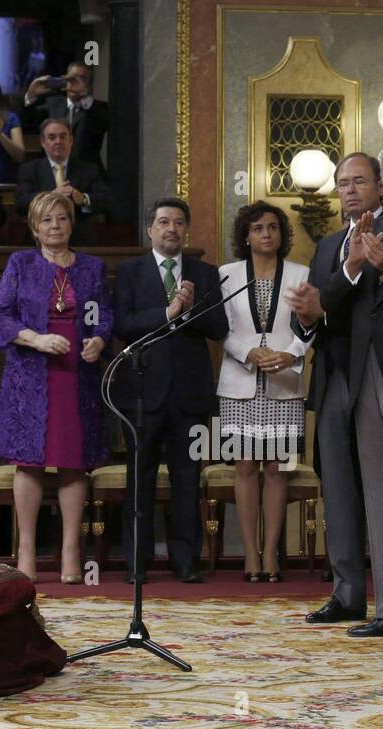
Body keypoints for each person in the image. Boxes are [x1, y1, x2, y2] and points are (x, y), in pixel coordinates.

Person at [315, 138, 383, 645]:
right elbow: (333, 302)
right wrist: (356, 265)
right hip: (366, 371)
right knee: (381, 495)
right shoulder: (366, 233)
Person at [0, 191, 112, 582]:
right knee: (29, 461)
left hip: (78, 373)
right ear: (34, 228)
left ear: (71, 223)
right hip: (30, 373)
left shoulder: (92, 267)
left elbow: (103, 315)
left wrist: (99, 340)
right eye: (46, 221)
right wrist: (36, 339)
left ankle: (71, 551)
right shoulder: (20, 264)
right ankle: (26, 549)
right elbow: (1, 315)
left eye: (61, 219)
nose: (55, 226)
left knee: (74, 461)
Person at [288, 153, 383, 625]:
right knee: (339, 492)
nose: (349, 190)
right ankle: (346, 593)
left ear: (380, 187)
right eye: (343, 183)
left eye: (359, 181)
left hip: (377, 375)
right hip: (332, 377)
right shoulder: (328, 244)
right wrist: (306, 315)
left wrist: (330, 293)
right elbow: (308, 311)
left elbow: (350, 296)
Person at [112, 197, 228, 583]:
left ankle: (185, 561)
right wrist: (167, 314)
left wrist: (190, 309)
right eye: (163, 222)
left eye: (179, 222)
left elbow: (219, 329)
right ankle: (136, 563)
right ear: (150, 230)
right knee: (139, 480)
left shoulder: (205, 273)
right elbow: (122, 325)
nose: (171, 229)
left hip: (188, 394)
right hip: (142, 394)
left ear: (186, 229)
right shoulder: (130, 272)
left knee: (186, 479)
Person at [217, 201, 310, 582]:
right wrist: (246, 351)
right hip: (239, 382)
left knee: (275, 469)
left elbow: (310, 323)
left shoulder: (302, 274)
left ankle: (270, 554)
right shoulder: (226, 275)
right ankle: (249, 555)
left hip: (284, 382)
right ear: (246, 235)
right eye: (257, 228)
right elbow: (218, 326)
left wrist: (291, 354)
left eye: (272, 227)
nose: (266, 234)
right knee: (244, 467)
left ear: (281, 234)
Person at [14, 118, 109, 246]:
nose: (58, 141)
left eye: (63, 137)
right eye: (52, 137)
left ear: (70, 140)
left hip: (81, 242)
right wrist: (50, 195)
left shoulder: (89, 169)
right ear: (43, 142)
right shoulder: (29, 169)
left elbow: (106, 200)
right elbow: (21, 203)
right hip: (40, 243)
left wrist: (84, 199)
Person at [24, 62, 109, 171]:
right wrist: (31, 95)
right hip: (53, 172)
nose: (76, 82)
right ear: (65, 80)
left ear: (90, 84)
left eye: (82, 79)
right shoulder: (52, 104)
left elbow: (101, 123)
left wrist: (86, 97)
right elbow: (28, 120)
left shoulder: (99, 108)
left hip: (88, 175)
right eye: (72, 78)